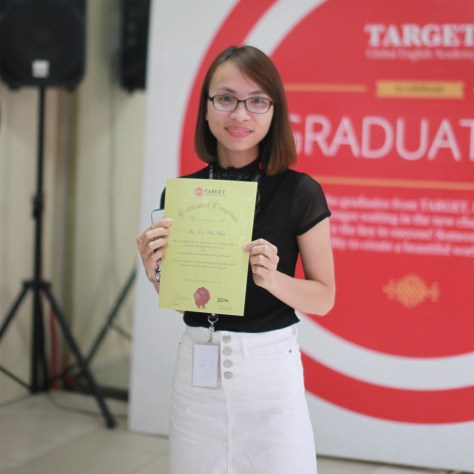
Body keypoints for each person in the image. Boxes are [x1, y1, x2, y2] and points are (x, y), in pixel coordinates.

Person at [136, 45, 335, 474]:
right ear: (206, 109)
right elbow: (187, 299)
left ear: (274, 111)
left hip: (270, 376)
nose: (240, 114)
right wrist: (156, 271)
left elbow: (324, 298)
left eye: (257, 101)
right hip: (197, 371)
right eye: (225, 98)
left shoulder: (299, 192)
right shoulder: (182, 194)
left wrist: (273, 278)